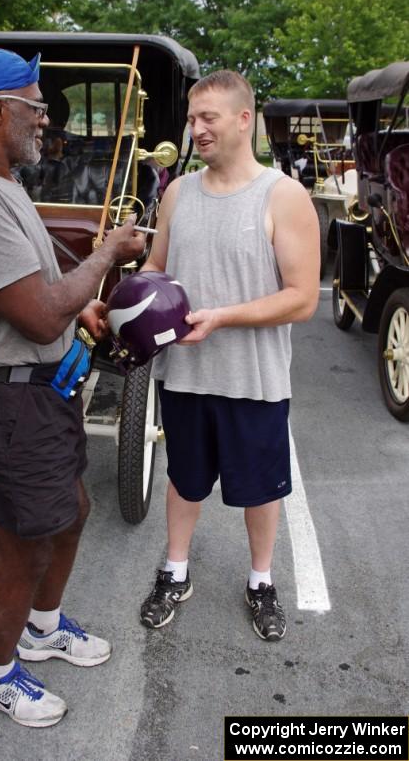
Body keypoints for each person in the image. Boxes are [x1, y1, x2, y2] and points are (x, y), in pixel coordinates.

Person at [0, 46, 145, 727]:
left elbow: (39, 285)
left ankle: (43, 629)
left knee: (68, 512)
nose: (47, 120)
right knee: (24, 542)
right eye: (36, 107)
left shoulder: (2, 179)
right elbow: (35, 310)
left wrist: (81, 305)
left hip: (35, 390)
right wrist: (105, 256)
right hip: (1, 397)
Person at [139, 70, 319, 641]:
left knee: (261, 489)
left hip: (256, 380)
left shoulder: (283, 196)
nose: (196, 130)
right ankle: (175, 572)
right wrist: (129, 305)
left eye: (207, 118)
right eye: (193, 120)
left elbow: (303, 298)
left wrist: (221, 317)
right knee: (184, 480)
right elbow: (155, 270)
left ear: (245, 120)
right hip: (185, 375)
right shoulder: (176, 193)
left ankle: (261, 582)